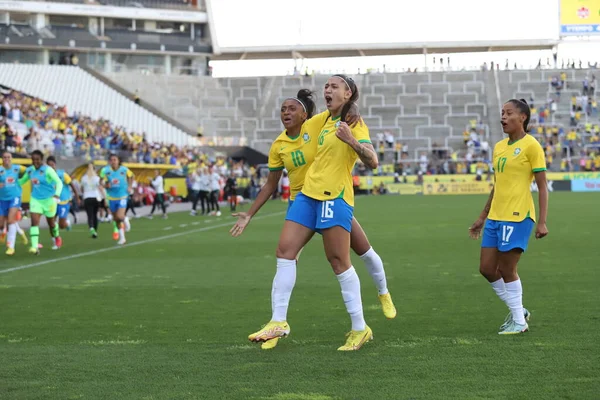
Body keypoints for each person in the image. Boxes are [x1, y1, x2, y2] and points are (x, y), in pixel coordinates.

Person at [241, 78, 381, 351]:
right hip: (306, 195)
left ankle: (360, 327)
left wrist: (352, 133)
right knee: (284, 251)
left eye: (334, 86)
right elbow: (300, 127)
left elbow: (373, 161)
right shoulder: (318, 122)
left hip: (334, 196)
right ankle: (278, 321)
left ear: (348, 93)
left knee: (340, 261)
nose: (327, 90)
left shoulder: (353, 122)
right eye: (326, 86)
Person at [469, 99, 549, 335]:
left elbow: (543, 186)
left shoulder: (531, 146)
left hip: (517, 216)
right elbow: (498, 184)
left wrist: (542, 221)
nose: (503, 117)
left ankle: (519, 322)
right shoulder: (499, 147)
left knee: (507, 269)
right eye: (502, 113)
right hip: (496, 216)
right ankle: (519, 311)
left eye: (509, 113)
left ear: (522, 117)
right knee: (486, 268)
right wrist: (483, 216)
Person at [18, 150, 63, 255]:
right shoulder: (30, 171)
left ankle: (56, 236)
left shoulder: (48, 170)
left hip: (49, 200)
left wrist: (57, 194)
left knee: (51, 224)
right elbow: (21, 181)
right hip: (35, 199)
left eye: (37, 159)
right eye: (33, 159)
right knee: (34, 222)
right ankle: (34, 247)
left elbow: (59, 182)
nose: (35, 161)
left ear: (41, 159)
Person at [100, 154, 133, 245]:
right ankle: (122, 238)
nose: (113, 161)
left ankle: (125, 218)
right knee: (116, 219)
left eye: (115, 159)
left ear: (118, 161)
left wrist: (130, 186)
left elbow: (131, 176)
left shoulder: (124, 170)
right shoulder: (105, 170)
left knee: (119, 216)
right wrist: (105, 185)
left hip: (122, 196)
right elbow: (101, 181)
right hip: (111, 197)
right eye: (111, 160)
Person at [47, 156, 79, 240]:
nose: (51, 167)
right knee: (51, 223)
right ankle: (55, 240)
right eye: (49, 166)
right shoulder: (45, 177)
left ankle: (66, 223)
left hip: (63, 202)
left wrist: (77, 196)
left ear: (55, 165)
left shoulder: (62, 174)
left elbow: (71, 185)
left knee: (61, 225)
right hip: (52, 202)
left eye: (52, 165)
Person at [0, 151, 26, 255]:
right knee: (1, 223)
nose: (6, 159)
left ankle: (11, 247)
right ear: (2, 159)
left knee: (10, 220)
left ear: (11, 158)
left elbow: (29, 171)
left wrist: (21, 182)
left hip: (14, 197)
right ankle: (20, 232)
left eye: (8, 157)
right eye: (4, 157)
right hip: (2, 199)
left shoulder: (17, 168)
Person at [80, 162, 103, 238]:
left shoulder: (84, 178)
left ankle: (91, 228)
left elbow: (82, 189)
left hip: (87, 197)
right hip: (96, 197)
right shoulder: (97, 178)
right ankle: (95, 231)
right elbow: (100, 188)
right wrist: (104, 197)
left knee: (90, 215)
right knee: (95, 215)